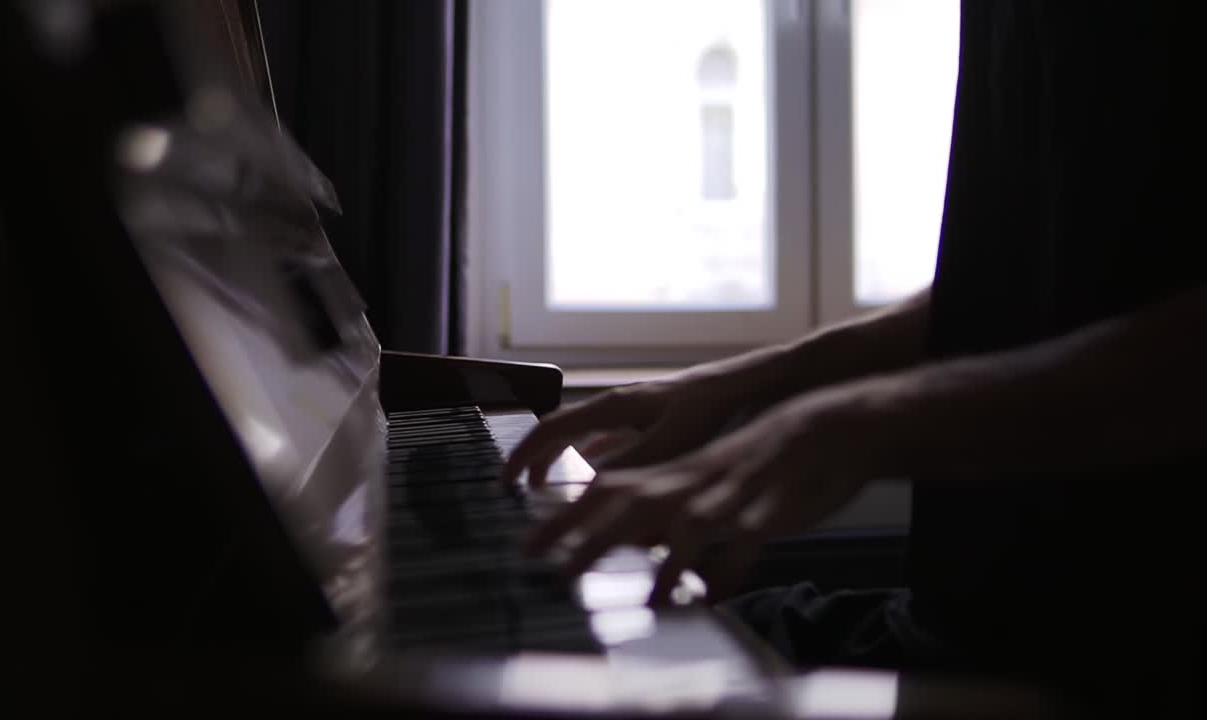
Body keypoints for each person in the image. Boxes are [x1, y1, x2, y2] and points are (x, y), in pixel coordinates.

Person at [501, 0, 1205, 707]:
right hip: (958, 624)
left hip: (1122, 659)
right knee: (571, 651)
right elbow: (1014, 281)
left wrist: (852, 425)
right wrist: (737, 385)